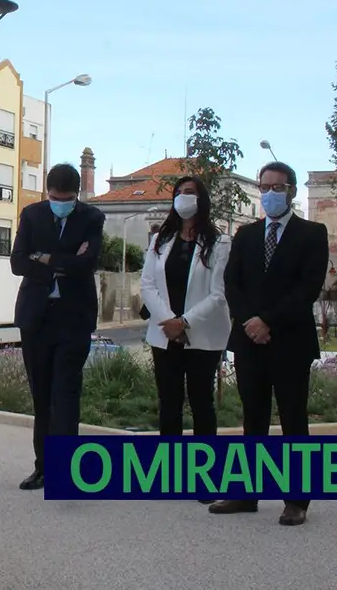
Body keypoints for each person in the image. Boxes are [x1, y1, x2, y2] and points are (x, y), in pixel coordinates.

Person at [209, 161, 328, 526]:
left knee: (294, 420)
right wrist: (249, 321)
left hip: (289, 341)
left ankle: (297, 501)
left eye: (278, 187)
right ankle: (246, 494)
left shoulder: (312, 233)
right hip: (249, 341)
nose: (270, 193)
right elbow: (232, 283)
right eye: (265, 187)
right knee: (253, 419)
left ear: (291, 190)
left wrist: (268, 321)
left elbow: (307, 288)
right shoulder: (246, 235)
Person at [9, 163, 105, 491]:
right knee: (41, 396)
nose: (59, 203)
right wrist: (64, 261)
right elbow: (17, 262)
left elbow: (88, 263)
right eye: (54, 197)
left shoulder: (92, 218)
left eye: (65, 199)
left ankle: (67, 472)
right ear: (46, 193)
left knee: (65, 394)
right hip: (36, 317)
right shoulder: (32, 214)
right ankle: (42, 468)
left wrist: (45, 258)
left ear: (76, 196)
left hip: (73, 318)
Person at [139, 177, 231, 503]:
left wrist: (185, 322)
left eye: (189, 192)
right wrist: (168, 321)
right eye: (178, 193)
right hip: (164, 334)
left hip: (202, 334)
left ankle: (206, 478)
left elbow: (219, 295)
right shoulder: (160, 240)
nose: (183, 198)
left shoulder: (219, 243)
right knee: (169, 403)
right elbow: (147, 285)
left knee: (201, 402)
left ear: (201, 199)